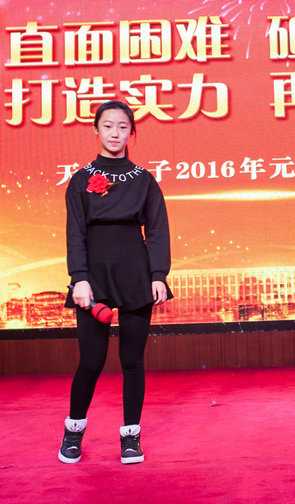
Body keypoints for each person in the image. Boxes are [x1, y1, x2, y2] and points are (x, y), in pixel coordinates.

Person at [59, 100, 173, 465]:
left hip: (135, 272)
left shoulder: (144, 180)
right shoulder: (81, 180)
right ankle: (73, 431)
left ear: (131, 133)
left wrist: (158, 275)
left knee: (132, 360)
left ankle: (131, 436)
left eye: (122, 127)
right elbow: (75, 233)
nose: (115, 133)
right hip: (93, 276)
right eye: (108, 126)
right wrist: (79, 278)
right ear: (96, 130)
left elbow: (157, 231)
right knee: (91, 361)